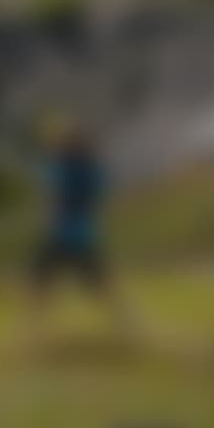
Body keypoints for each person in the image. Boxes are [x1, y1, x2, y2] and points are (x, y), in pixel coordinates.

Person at [29, 119, 135, 340]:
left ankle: (36, 329)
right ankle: (125, 324)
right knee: (100, 283)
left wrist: (48, 218)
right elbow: (103, 196)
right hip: (84, 233)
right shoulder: (92, 169)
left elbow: (51, 197)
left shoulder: (63, 167)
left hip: (61, 234)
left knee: (42, 281)